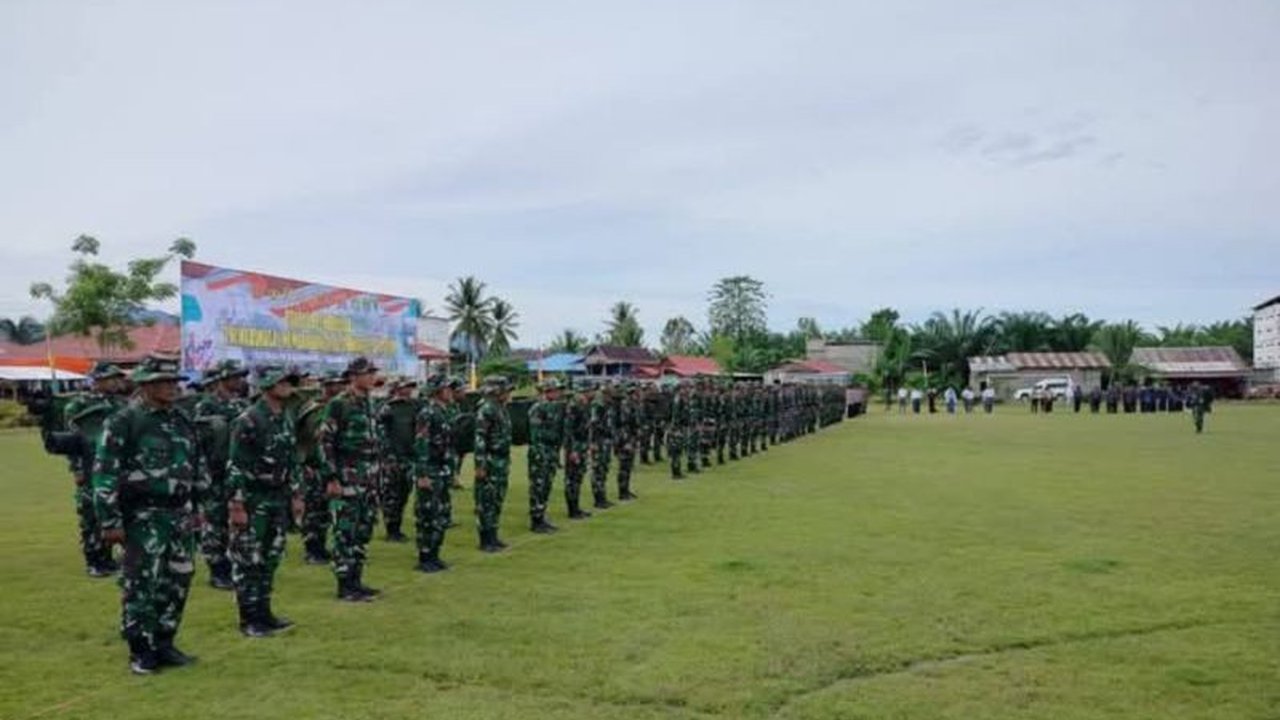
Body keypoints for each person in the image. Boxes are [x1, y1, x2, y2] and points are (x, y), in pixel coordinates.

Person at [92, 354, 205, 674]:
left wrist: (198, 506)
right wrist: (110, 521)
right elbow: (104, 472)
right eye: (163, 382)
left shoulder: (181, 419)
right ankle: (141, 650)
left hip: (179, 514)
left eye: (174, 381)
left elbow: (195, 464)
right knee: (142, 582)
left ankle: (165, 643)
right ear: (145, 385)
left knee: (178, 579)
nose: (172, 387)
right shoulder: (125, 421)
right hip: (143, 515)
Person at [226, 365, 302, 637]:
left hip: (277, 497)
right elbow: (235, 465)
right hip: (253, 498)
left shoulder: (285, 417)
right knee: (249, 559)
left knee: (271, 556)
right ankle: (249, 618)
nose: (287, 385)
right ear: (267, 385)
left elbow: (291, 459)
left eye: (289, 381)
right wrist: (237, 505)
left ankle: (264, 612)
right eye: (282, 381)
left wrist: (296, 494)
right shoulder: (248, 419)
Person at [321, 357, 382, 602]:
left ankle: (356, 580)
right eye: (368, 373)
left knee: (363, 530)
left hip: (368, 478)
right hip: (347, 477)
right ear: (354, 376)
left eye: (373, 373)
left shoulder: (369, 403)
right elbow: (326, 443)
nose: (372, 377)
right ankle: (345, 584)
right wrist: (331, 477)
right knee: (345, 531)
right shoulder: (339, 404)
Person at [63, 362, 129, 577]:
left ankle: (120, 556)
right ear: (97, 380)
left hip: (119, 467)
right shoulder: (78, 405)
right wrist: (77, 469)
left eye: (117, 378)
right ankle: (96, 560)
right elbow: (72, 441)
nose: (116, 382)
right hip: (90, 466)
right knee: (91, 513)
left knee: (121, 509)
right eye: (111, 378)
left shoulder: (122, 404)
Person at [193, 360, 250, 591]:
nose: (239, 380)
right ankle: (218, 570)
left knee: (237, 522)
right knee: (215, 522)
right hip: (214, 472)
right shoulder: (206, 406)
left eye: (240, 376)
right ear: (221, 380)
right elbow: (200, 443)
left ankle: (236, 564)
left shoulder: (241, 404)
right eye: (234, 377)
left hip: (237, 470)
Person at [296, 371, 345, 564]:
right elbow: (309, 436)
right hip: (313, 466)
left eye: (340, 384)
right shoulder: (314, 409)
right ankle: (312, 549)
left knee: (325, 511)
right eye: (334, 384)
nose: (338, 387)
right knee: (314, 509)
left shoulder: (338, 407)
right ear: (326, 386)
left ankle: (320, 547)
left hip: (331, 465)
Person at [412, 373, 454, 572]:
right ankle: (425, 557)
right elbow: (421, 443)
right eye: (447, 388)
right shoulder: (427, 413)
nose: (450, 392)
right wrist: (422, 474)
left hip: (442, 469)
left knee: (441, 514)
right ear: (438, 391)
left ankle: (435, 554)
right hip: (430, 469)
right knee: (427, 514)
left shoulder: (444, 411)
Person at [473, 375, 513, 552]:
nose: (509, 394)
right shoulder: (487, 409)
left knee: (497, 498)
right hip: (490, 459)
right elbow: (480, 438)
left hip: (500, 460)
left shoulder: (500, 408)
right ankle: (485, 540)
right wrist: (480, 465)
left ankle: (493, 536)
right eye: (506, 390)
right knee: (486, 500)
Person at [377, 379, 418, 543]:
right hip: (392, 457)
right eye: (405, 387)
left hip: (408, 456)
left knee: (404, 493)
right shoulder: (388, 408)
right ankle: (391, 529)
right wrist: (387, 457)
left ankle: (397, 527)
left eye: (410, 387)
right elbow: (381, 434)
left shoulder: (414, 407)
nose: (408, 390)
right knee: (391, 494)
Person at [526, 379, 564, 533]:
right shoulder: (537, 408)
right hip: (540, 452)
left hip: (550, 451)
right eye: (556, 390)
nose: (558, 393)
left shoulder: (554, 407)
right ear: (547, 391)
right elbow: (536, 434)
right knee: (538, 485)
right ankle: (536, 520)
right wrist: (553, 436)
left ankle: (542, 515)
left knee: (547, 485)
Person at [562, 384, 593, 518]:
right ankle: (572, 509)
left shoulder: (584, 405)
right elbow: (568, 430)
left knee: (578, 477)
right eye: (590, 390)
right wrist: (573, 450)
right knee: (572, 478)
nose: (592, 393)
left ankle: (576, 507)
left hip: (582, 445)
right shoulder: (574, 406)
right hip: (574, 447)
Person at [588, 382, 617, 507]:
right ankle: (598, 499)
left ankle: (602, 497)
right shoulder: (597, 406)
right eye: (609, 394)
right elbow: (593, 425)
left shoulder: (608, 405)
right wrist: (593, 442)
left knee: (604, 468)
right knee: (598, 470)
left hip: (606, 441)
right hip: (598, 441)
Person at [615, 383, 640, 500]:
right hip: (625, 440)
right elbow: (623, 425)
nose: (637, 394)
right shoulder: (625, 405)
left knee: (628, 467)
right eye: (635, 392)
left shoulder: (633, 404)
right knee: (624, 467)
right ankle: (622, 492)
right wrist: (626, 442)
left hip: (631, 438)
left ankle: (626, 489)